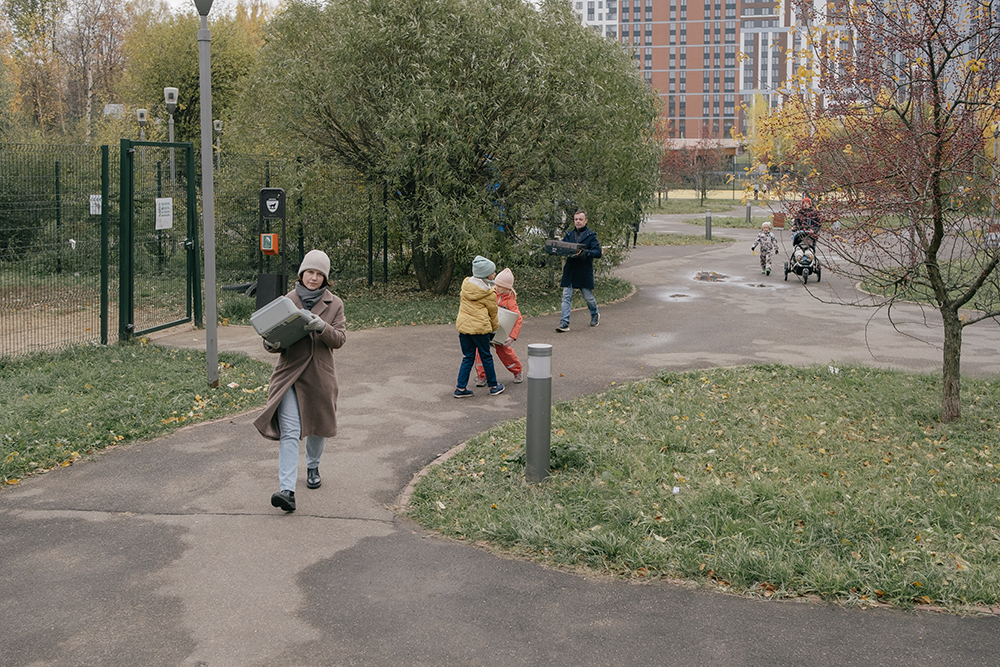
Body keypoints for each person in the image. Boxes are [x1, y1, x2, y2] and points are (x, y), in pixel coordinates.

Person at [253, 249, 347, 513]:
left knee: (317, 427)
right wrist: (270, 341)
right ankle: (287, 491)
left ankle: (313, 465)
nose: (313, 278)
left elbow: (339, 339)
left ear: (325, 278)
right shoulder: (287, 300)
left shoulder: (335, 304)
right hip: (289, 375)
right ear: (301, 273)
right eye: (310, 272)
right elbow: (271, 341)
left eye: (319, 274)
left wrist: (321, 327)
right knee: (291, 431)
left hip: (319, 374)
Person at [454, 255, 504, 398]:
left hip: (464, 328)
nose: (494, 274)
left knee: (468, 357)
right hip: (480, 329)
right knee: (486, 356)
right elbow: (493, 312)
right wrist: (495, 328)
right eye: (492, 272)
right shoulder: (488, 292)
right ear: (485, 274)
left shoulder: (466, 287)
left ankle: (460, 388)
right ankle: (493, 386)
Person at [474, 267, 523, 386]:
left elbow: (518, 319)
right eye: (496, 285)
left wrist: (512, 337)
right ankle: (482, 376)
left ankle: (517, 371)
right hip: (488, 328)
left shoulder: (511, 301)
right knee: (480, 351)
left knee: (504, 351)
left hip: (501, 331)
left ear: (508, 287)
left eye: (500, 286)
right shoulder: (491, 293)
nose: (497, 288)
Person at [556, 209, 602, 332]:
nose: (578, 221)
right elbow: (562, 247)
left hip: (583, 271)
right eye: (576, 219)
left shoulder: (591, 236)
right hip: (570, 270)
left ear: (585, 221)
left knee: (588, 297)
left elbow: (598, 252)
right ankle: (564, 322)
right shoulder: (569, 235)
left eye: (580, 219)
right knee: (566, 296)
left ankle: (594, 313)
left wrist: (585, 253)